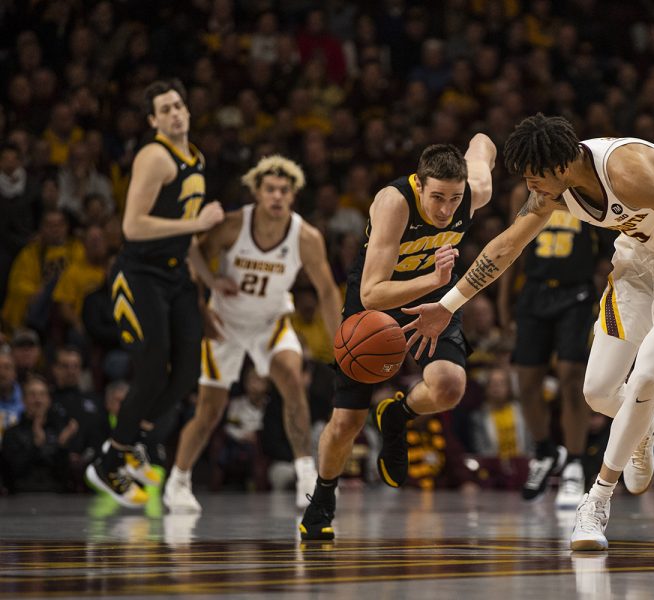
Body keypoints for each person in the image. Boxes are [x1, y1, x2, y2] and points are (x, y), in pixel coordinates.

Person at [402, 114, 654, 551]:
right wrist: (447, 307)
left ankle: (595, 502)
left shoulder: (627, 172)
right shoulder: (554, 193)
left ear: (559, 168)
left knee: (648, 373)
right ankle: (645, 420)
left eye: (534, 177)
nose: (530, 187)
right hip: (638, 258)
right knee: (597, 392)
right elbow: (505, 247)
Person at [300, 134, 496, 540]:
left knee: (449, 387)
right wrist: (437, 278)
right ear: (419, 185)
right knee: (345, 422)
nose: (446, 210)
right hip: (376, 299)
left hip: (436, 296)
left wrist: (477, 156)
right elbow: (373, 292)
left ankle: (397, 414)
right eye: (437, 198)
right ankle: (323, 495)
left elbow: (482, 141)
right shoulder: (394, 202)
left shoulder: (474, 190)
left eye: (454, 199)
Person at [163, 155, 341, 513]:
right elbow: (194, 255)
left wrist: (341, 342)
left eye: (284, 190)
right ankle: (178, 480)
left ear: (293, 195)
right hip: (224, 324)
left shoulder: (305, 236)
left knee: (292, 378)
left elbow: (326, 290)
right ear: (257, 193)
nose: (277, 196)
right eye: (270, 189)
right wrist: (206, 300)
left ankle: (306, 473)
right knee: (210, 410)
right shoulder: (232, 225)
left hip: (270, 323)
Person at [85, 79, 225, 508]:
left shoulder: (195, 156)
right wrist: (197, 226)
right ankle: (109, 462)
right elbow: (133, 226)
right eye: (165, 109)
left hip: (177, 275)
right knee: (151, 369)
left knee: (186, 373)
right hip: (140, 274)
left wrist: (211, 280)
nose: (176, 113)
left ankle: (133, 445)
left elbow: (187, 237)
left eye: (179, 105)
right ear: (153, 121)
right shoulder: (153, 156)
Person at [498, 182, 598, 507]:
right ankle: (544, 451)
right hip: (535, 290)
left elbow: (607, 251)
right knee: (526, 382)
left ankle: (574, 462)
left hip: (576, 293)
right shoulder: (523, 193)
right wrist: (504, 303)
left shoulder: (588, 189)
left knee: (571, 375)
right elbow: (511, 247)